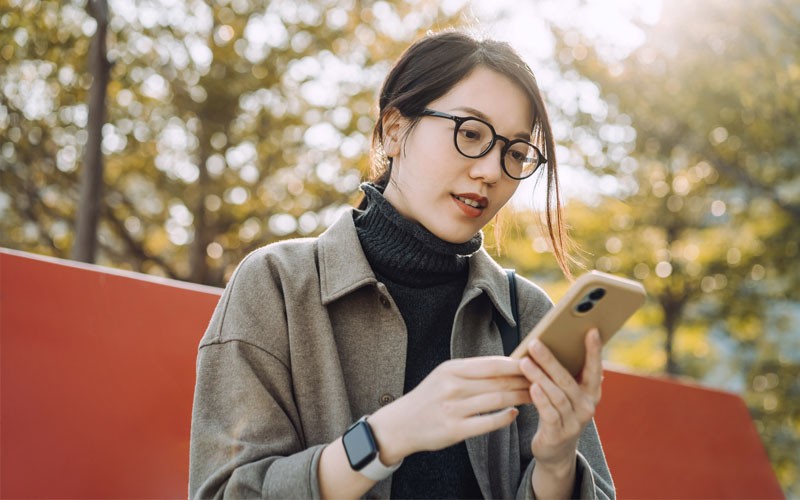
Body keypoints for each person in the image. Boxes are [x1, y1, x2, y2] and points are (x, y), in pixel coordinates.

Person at [189, 30, 615, 499]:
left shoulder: (526, 314)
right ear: (394, 130)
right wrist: (386, 435)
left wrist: (556, 466)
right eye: (470, 133)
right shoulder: (277, 286)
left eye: (514, 153)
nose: (492, 171)